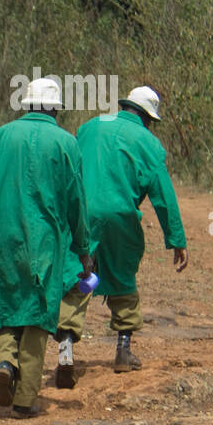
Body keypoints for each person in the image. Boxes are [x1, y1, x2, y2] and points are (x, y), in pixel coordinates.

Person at [0, 77, 93, 417]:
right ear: (55, 108)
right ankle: (24, 399)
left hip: (2, 239)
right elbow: (76, 203)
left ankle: (6, 362)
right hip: (45, 245)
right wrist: (83, 249)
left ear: (26, 104)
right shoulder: (67, 143)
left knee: (9, 305)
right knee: (39, 316)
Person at [54, 85, 188, 385]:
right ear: (147, 118)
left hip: (81, 214)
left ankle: (65, 349)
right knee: (122, 276)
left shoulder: (89, 127)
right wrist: (176, 239)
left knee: (78, 276)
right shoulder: (150, 143)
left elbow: (67, 167)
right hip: (120, 215)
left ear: (125, 106)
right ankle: (123, 351)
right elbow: (163, 196)